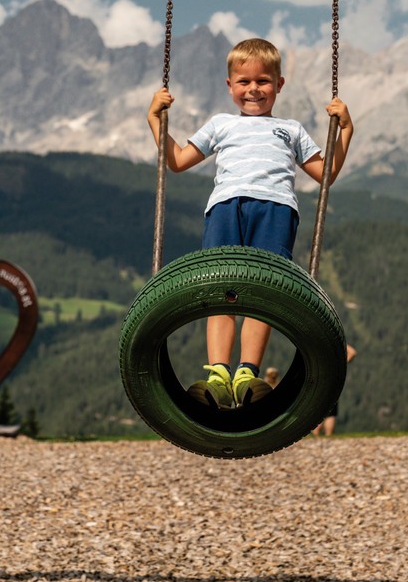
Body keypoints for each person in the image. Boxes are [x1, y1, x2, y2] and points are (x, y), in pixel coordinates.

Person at [147, 37, 354, 409]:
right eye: (244, 82)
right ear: (230, 86)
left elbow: (325, 176)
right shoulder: (221, 124)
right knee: (221, 291)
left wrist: (346, 132)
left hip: (276, 209)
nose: (253, 90)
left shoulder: (290, 130)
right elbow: (177, 161)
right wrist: (155, 120)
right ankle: (218, 375)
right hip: (226, 207)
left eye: (263, 81)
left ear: (279, 84)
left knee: (262, 294)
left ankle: (247, 373)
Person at [313, 343, 357, 436]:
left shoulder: (317, 344)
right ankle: (329, 436)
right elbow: (352, 352)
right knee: (331, 411)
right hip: (333, 380)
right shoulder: (334, 346)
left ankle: (316, 436)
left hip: (319, 380)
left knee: (318, 411)